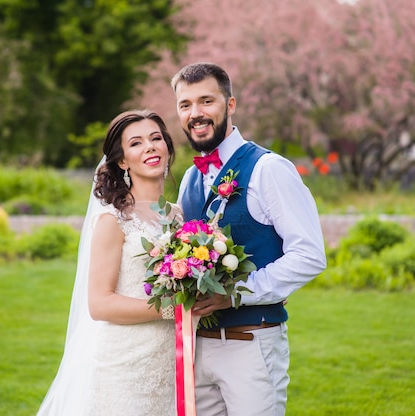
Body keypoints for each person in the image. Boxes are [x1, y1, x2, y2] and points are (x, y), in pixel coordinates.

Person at [172, 62, 327, 416]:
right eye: (185, 104)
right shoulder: (188, 179)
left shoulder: (268, 169)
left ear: (230, 105)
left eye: (206, 101)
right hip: (196, 348)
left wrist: (234, 294)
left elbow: (309, 255)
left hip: (250, 345)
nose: (195, 113)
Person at [35, 109, 182, 416]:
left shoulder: (179, 216)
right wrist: (175, 308)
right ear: (122, 160)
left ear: (168, 147)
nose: (151, 147)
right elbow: (100, 304)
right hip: (122, 363)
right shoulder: (112, 220)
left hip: (171, 363)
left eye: (156, 138)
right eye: (137, 143)